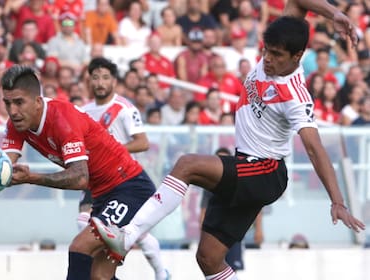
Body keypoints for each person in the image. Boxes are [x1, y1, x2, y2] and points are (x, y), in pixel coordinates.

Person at [90, 1, 366, 279]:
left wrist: (338, 201)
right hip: (246, 165)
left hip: (265, 171)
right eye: (266, 51)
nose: (267, 59)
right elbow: (296, 2)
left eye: (277, 55)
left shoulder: (295, 96)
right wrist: (335, 14)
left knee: (187, 164)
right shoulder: (273, 55)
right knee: (208, 258)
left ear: (297, 57)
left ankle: (127, 236)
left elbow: (314, 149)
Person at [0, 64, 156, 280]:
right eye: (7, 103)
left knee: (80, 248)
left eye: (19, 102)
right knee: (99, 275)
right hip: (103, 194)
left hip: (129, 187)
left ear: (37, 101)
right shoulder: (16, 124)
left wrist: (31, 178)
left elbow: (80, 178)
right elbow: (4, 168)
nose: (13, 111)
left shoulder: (62, 117)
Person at [79, 57, 170, 280]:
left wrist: (111, 149)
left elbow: (143, 142)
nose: (100, 82)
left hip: (122, 179)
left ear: (114, 82)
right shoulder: (83, 111)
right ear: (89, 81)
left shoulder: (124, 108)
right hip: (95, 179)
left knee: (134, 232)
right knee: (86, 225)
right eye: (96, 77)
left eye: (105, 78)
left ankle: (161, 272)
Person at [199, 147, 264, 271]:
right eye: (218, 159)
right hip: (214, 232)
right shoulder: (209, 185)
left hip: (234, 233)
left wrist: (259, 230)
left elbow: (256, 206)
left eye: (224, 159)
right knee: (212, 266)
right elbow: (203, 211)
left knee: (231, 267)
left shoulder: (241, 181)